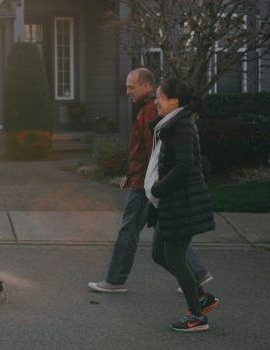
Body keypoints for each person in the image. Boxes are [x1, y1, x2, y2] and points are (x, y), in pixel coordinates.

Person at [88, 68, 212, 293]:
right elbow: (144, 150)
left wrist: (151, 182)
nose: (127, 91)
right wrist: (130, 173)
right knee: (167, 232)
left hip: (148, 183)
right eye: (126, 87)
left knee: (130, 230)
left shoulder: (150, 111)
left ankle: (115, 280)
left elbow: (156, 151)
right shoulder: (147, 109)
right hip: (145, 179)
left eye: (131, 87)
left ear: (147, 86)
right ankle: (198, 274)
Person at [146, 79, 218, 332]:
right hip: (171, 203)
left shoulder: (182, 125)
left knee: (175, 258)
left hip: (183, 202)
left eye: (159, 97)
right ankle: (200, 297)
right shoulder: (172, 124)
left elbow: (185, 166)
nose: (155, 101)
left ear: (174, 100)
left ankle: (197, 316)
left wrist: (158, 188)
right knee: (158, 253)